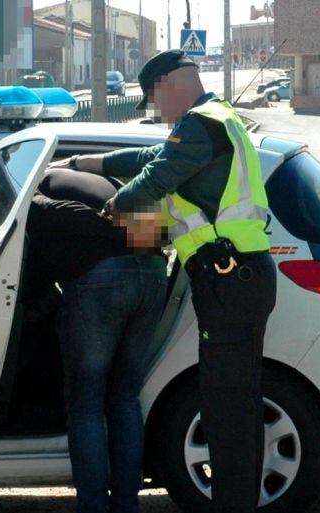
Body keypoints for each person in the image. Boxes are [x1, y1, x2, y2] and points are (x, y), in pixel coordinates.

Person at [51, 49, 277, 513]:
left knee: (226, 413)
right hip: (239, 277)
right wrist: (84, 166)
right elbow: (148, 156)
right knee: (235, 407)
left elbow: (153, 177)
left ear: (170, 83)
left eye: (153, 101)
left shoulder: (201, 124)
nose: (156, 113)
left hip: (229, 278)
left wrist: (109, 212)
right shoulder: (218, 120)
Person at [27, 169, 168, 513]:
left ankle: (93, 507)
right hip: (150, 274)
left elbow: (45, 214)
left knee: (86, 406)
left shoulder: (37, 187)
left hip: (102, 279)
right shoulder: (108, 183)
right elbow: (159, 229)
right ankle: (125, 506)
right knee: (124, 399)